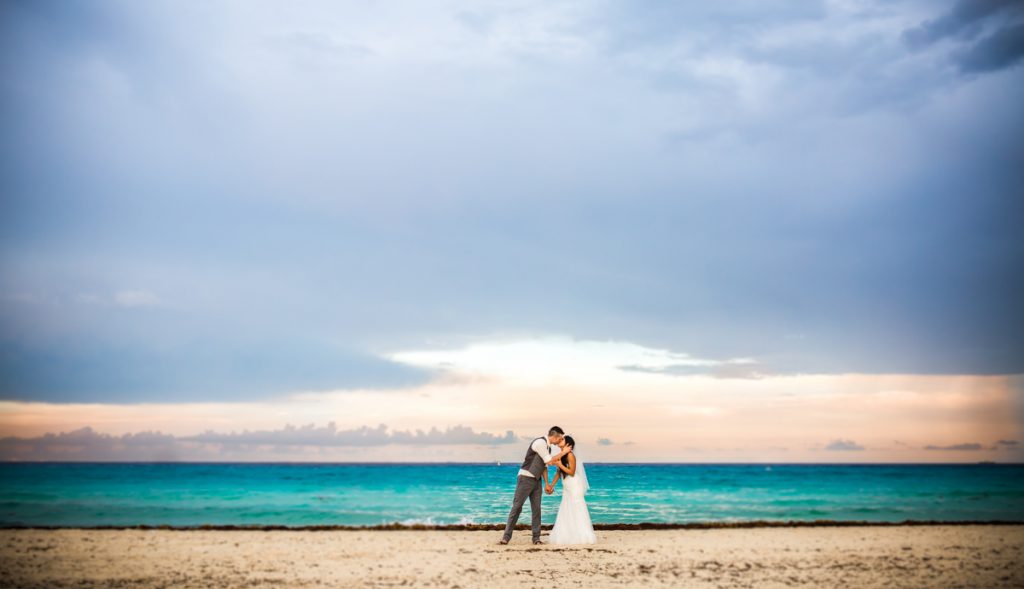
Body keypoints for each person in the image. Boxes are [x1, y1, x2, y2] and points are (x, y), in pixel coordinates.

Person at [499, 426, 571, 545]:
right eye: (560, 438)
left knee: (536, 509)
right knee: (517, 507)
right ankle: (506, 537)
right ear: (555, 436)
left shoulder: (548, 448)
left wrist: (547, 484)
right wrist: (563, 453)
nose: (560, 441)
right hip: (525, 478)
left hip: (537, 481)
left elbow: (545, 467)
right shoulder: (539, 443)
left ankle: (536, 538)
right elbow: (549, 461)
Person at [547, 435, 596, 545]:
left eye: (563, 439)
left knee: (576, 508)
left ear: (568, 444)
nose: (560, 440)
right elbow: (558, 473)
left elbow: (572, 472)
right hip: (567, 486)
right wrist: (551, 485)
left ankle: (581, 535)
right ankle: (568, 534)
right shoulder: (562, 456)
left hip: (574, 485)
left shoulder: (570, 455)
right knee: (566, 508)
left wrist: (559, 464)